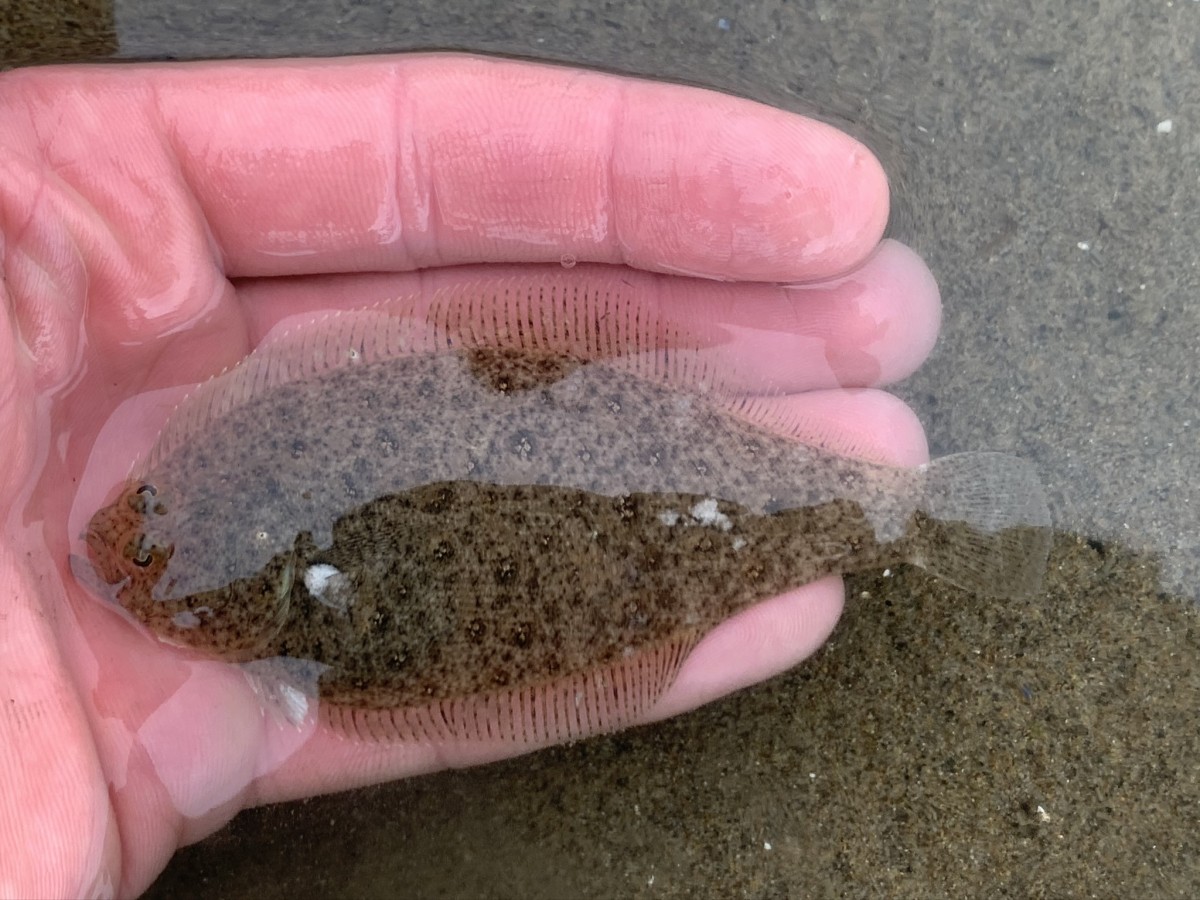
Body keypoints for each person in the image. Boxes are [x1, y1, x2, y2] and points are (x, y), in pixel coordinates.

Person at [0, 53, 940, 897]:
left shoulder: (231, 468)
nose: (127, 546)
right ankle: (892, 516)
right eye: (154, 545)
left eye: (150, 532)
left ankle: (899, 517)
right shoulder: (233, 457)